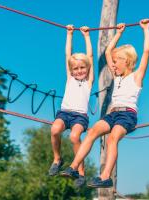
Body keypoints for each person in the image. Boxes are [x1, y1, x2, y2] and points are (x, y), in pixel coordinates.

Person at [60, 19, 149, 188]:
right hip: (112, 113)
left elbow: (147, 51)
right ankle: (74, 167)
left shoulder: (136, 76)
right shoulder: (116, 76)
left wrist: (146, 29)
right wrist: (119, 33)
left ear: (127, 62)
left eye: (116, 62)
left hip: (127, 115)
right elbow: (108, 51)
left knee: (112, 139)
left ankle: (105, 177)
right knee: (93, 131)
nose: (113, 65)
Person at [48, 25, 94, 187]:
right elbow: (68, 54)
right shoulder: (71, 78)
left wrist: (87, 36)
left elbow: (90, 55)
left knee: (74, 137)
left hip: (80, 116)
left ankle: (80, 172)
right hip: (64, 113)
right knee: (54, 130)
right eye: (76, 68)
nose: (80, 71)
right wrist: (69, 34)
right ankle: (57, 159)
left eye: (83, 67)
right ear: (71, 70)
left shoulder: (89, 81)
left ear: (87, 68)